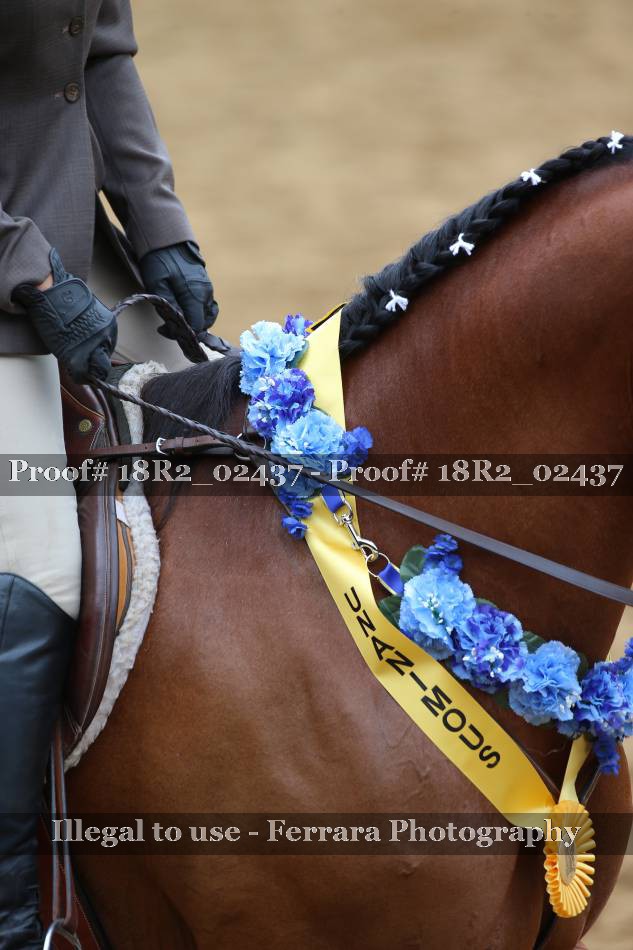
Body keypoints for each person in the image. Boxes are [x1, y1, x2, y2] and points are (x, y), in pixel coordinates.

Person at [0, 3, 218, 945]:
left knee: (223, 474)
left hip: (74, 253)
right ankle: (14, 916)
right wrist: (29, 274)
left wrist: (159, 228)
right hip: (19, 274)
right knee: (38, 567)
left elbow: (99, 54)